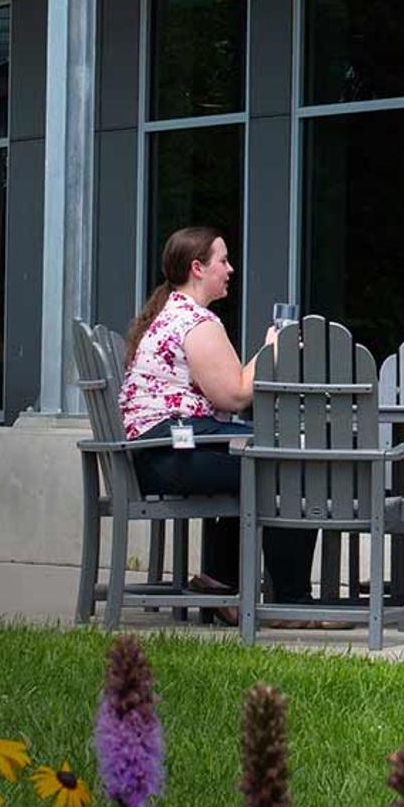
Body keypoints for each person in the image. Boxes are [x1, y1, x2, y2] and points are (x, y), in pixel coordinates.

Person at [117, 226, 310, 606]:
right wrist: (273, 350)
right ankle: (291, 601)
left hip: (165, 448)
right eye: (222, 260)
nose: (230, 268)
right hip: (172, 451)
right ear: (197, 268)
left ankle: (219, 579)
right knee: (286, 470)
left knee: (263, 460)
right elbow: (235, 395)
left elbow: (222, 397)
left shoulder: (172, 314)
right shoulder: (196, 322)